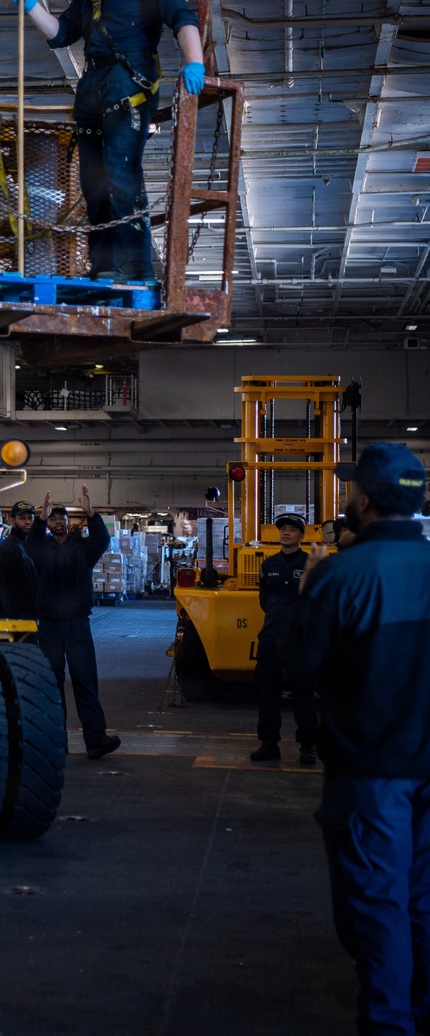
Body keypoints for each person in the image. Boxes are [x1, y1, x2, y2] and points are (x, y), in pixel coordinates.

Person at [292, 442, 430, 1036]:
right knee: (423, 900)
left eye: (351, 489)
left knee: (375, 906)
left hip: (372, 772)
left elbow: (299, 667)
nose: (347, 497)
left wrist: (306, 591)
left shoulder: (340, 575)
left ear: (366, 500)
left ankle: (388, 1024)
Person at [12, 0, 204, 283]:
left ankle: (135, 267)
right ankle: (104, 266)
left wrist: (194, 62)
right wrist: (32, 5)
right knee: (93, 183)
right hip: (94, 88)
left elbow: (182, 18)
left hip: (126, 88)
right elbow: (63, 33)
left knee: (121, 176)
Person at [26, 484, 119, 761]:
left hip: (78, 624)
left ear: (68, 522)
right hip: (51, 626)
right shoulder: (41, 550)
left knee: (86, 682)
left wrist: (92, 513)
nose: (57, 522)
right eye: (52, 518)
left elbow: (102, 540)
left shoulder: (83, 548)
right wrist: (39, 517)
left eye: (60, 518)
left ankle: (96, 740)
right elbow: (30, 544)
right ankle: (56, 743)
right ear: (48, 523)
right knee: (52, 685)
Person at [249, 511, 318, 766]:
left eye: (291, 529)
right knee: (268, 692)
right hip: (271, 637)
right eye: (282, 529)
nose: (285, 532)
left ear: (301, 534)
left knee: (304, 693)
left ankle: (308, 746)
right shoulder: (269, 564)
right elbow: (265, 599)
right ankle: (269, 744)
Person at [0, 499, 38, 619]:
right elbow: (5, 587)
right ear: (12, 520)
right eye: (22, 518)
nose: (27, 522)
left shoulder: (26, 545)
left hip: (28, 612)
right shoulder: (9, 547)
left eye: (30, 518)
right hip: (16, 617)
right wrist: (13, 620)